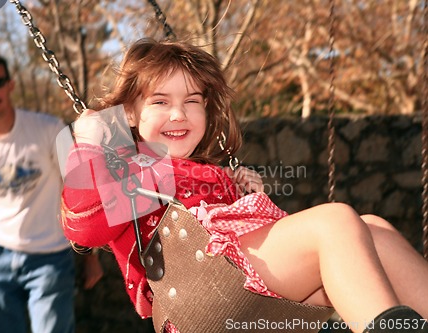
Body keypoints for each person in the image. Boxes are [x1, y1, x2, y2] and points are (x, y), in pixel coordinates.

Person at [59, 38, 428, 333]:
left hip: (239, 291)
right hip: (197, 299)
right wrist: (89, 144)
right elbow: (85, 227)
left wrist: (238, 198)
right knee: (335, 222)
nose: (179, 114)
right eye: (160, 101)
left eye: (192, 101)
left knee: (375, 231)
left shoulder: (198, 169)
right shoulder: (130, 166)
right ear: (129, 114)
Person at [0, 51, 103, 333]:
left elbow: (80, 191)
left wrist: (91, 256)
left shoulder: (47, 129)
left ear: (10, 85)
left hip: (51, 256)